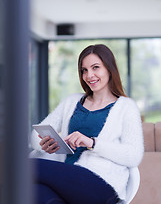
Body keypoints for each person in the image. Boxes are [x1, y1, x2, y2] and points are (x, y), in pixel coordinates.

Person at [30, 44, 144, 204]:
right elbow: (36, 135)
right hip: (68, 179)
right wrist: (45, 144)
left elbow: (134, 156)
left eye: (95, 67)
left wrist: (92, 142)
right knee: (36, 191)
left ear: (109, 69)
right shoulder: (72, 101)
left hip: (101, 184)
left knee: (25, 167)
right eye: (84, 70)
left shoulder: (126, 106)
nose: (89, 75)